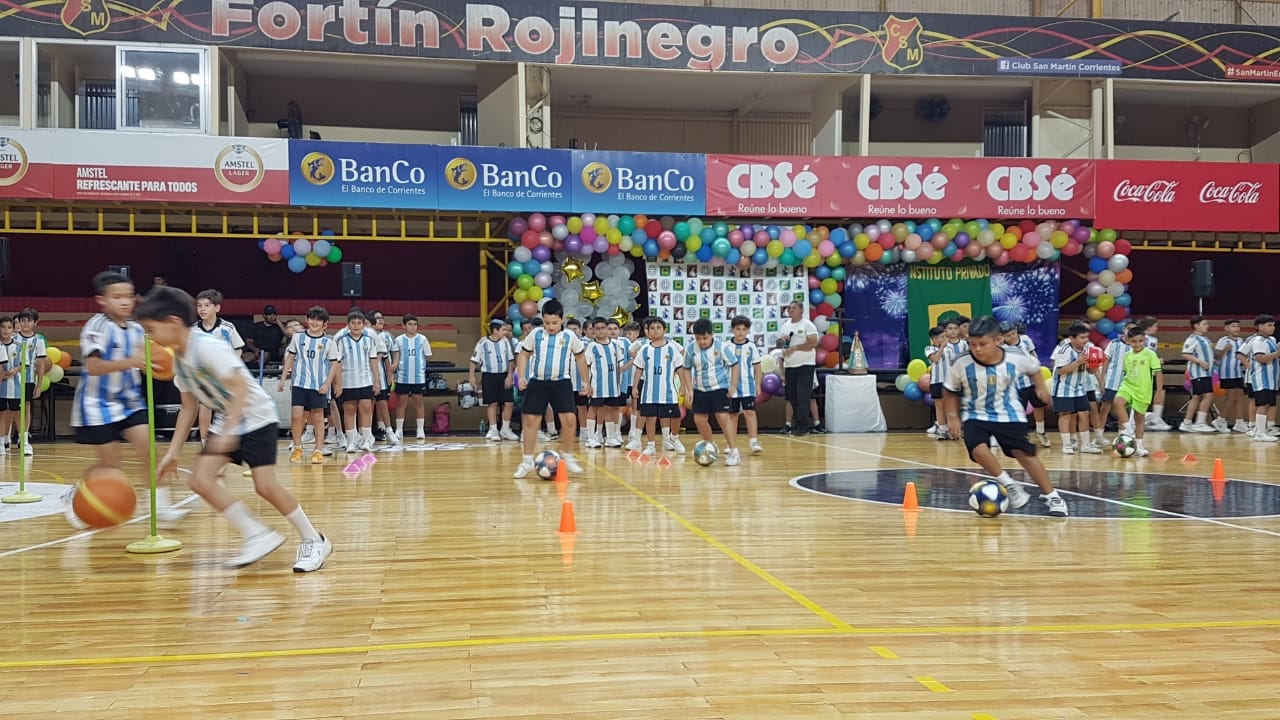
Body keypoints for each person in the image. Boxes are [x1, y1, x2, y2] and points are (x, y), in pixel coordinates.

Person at [140, 286, 331, 572]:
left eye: (151, 329)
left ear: (173, 322)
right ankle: (257, 534)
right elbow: (188, 408)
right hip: (227, 420)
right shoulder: (179, 360)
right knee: (200, 480)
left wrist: (230, 431)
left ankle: (314, 540)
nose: (150, 337)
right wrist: (173, 452)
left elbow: (240, 387)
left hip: (255, 417)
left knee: (265, 486)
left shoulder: (207, 347)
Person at [66, 270, 188, 529]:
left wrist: (162, 365)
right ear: (101, 300)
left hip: (130, 401)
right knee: (110, 465)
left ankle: (160, 506)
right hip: (97, 404)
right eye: (117, 297)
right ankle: (77, 494)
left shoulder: (136, 328)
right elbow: (94, 367)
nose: (125, 302)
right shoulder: (96, 327)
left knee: (150, 452)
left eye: (129, 296)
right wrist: (132, 362)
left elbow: (150, 359)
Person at [943, 316, 1069, 518]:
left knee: (1024, 455)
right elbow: (949, 389)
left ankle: (1052, 496)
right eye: (972, 344)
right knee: (977, 449)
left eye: (983, 344)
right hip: (976, 414)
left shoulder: (1015, 356)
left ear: (998, 340)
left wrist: (1040, 388)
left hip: (1009, 414)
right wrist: (952, 417)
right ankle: (1009, 484)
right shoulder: (961, 362)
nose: (977, 349)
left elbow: (1034, 369)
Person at [512, 299, 588, 479]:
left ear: (562, 319)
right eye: (547, 323)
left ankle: (567, 455)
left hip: (562, 382)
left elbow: (580, 358)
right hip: (538, 382)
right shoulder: (536, 334)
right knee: (531, 420)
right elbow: (524, 354)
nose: (550, 326)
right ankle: (527, 461)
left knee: (569, 419)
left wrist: (586, 381)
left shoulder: (570, 336)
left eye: (554, 323)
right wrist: (521, 376)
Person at [279, 306, 339, 464]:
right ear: (307, 320)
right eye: (312, 318)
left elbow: (334, 364)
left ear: (325, 323)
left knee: (318, 417)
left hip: (319, 385)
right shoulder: (298, 337)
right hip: (299, 383)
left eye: (319, 320)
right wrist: (283, 378)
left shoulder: (329, 341)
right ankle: (298, 447)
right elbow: (290, 358)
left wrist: (327, 384)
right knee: (296, 416)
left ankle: (318, 450)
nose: (314, 322)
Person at [630, 316, 691, 457]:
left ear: (664, 330)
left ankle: (674, 438)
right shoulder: (644, 349)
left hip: (668, 392)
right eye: (652, 328)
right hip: (649, 393)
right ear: (648, 331)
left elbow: (680, 368)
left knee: (674, 417)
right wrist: (634, 387)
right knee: (650, 418)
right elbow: (639, 369)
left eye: (658, 328)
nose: (655, 331)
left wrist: (684, 386)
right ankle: (650, 445)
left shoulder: (672, 348)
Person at [686, 318, 741, 466]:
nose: (702, 342)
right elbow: (686, 368)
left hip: (719, 388)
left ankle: (734, 451)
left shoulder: (721, 347)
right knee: (699, 420)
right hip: (700, 389)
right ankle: (710, 447)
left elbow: (735, 365)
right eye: (698, 338)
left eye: (705, 338)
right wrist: (689, 388)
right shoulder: (691, 349)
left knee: (723, 417)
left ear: (711, 334)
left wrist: (733, 385)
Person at [194, 290, 244, 446]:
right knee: (205, 406)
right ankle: (204, 441)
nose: (202, 309)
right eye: (199, 306)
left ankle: (226, 440)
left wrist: (230, 368)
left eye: (206, 305)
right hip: (205, 375)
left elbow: (238, 349)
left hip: (225, 375)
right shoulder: (193, 330)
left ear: (217, 307)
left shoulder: (227, 328)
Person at [334, 308, 381, 453]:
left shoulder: (369, 339)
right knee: (349, 410)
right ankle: (351, 442)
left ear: (363, 324)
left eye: (359, 323)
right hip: (348, 381)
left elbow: (374, 361)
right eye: (353, 323)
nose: (356, 326)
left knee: (366, 409)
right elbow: (337, 364)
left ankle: (366, 440)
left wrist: (377, 381)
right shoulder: (341, 340)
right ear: (348, 324)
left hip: (365, 381)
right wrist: (338, 384)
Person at [1111, 325, 1162, 457]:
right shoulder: (1127, 356)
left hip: (1143, 390)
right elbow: (1126, 373)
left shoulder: (1150, 354)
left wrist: (1159, 392)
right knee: (1118, 402)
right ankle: (1128, 430)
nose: (1137, 344)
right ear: (1129, 341)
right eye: (1134, 341)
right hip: (1128, 386)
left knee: (1139, 418)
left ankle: (1138, 446)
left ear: (1144, 340)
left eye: (1140, 341)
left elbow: (1158, 373)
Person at [1051, 322, 1099, 454]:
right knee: (1065, 415)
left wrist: (1094, 365)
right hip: (1063, 388)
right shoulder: (1064, 350)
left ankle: (1086, 445)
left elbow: (1090, 371)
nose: (1086, 340)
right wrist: (1078, 362)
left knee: (1084, 413)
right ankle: (1067, 445)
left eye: (1087, 337)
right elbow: (1061, 371)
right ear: (1072, 338)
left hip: (1079, 387)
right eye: (1082, 337)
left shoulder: (1088, 349)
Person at [1002, 322, 1050, 447]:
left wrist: (1036, 370)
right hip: (1016, 385)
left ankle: (1040, 431)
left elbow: (1033, 355)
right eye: (1008, 335)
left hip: (1032, 382)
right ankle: (1020, 435)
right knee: (1019, 411)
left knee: (1039, 405)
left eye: (1014, 333)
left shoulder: (1025, 340)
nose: (1012, 337)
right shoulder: (1002, 348)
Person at [470, 318, 516, 443]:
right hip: (489, 376)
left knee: (509, 402)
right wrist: (472, 376)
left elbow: (510, 360)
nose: (505, 332)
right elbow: (474, 360)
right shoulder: (483, 342)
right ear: (495, 330)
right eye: (503, 330)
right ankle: (494, 429)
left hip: (504, 375)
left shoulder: (505, 342)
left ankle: (505, 429)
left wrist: (510, 375)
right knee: (492, 403)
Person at [776, 301, 818, 435]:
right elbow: (779, 345)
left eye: (794, 308)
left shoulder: (807, 325)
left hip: (805, 365)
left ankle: (803, 427)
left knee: (802, 397)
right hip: (790, 366)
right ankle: (796, 424)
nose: (790, 310)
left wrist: (795, 347)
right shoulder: (786, 326)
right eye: (789, 308)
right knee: (793, 398)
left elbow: (813, 343)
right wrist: (781, 340)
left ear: (801, 310)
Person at [584, 317, 625, 448]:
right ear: (593, 331)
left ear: (607, 329)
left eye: (603, 328)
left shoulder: (615, 345)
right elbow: (586, 366)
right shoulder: (592, 346)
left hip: (613, 385)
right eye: (597, 328)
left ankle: (611, 437)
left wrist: (619, 383)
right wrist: (586, 384)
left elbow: (619, 365)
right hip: (597, 385)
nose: (601, 331)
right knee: (593, 408)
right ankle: (591, 438)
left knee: (610, 409)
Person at [393, 313, 433, 442]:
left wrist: (420, 366)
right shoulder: (398, 340)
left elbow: (428, 356)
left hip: (418, 377)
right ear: (403, 326)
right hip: (402, 377)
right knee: (401, 403)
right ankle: (399, 430)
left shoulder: (423, 339)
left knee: (418, 402)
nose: (413, 327)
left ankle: (420, 429)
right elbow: (396, 357)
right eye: (410, 324)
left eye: (415, 324)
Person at [728, 315, 764, 454]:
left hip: (747, 386)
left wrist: (758, 384)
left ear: (748, 330)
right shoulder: (727, 346)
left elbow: (757, 367)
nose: (740, 332)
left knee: (750, 412)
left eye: (744, 329)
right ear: (733, 330)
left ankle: (753, 440)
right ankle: (731, 443)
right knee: (733, 415)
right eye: (738, 329)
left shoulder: (751, 346)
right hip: (731, 387)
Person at [13, 307, 47, 456]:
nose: (26, 323)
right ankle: (7, 438)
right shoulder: (13, 339)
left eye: (29, 320)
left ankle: (25, 440)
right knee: (12, 409)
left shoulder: (38, 341)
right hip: (12, 379)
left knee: (26, 406)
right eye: (23, 320)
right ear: (19, 322)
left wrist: (39, 384)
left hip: (29, 379)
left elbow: (41, 363)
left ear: (35, 323)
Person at [1244, 314, 1279, 443]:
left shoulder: (1271, 340)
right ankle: (1259, 432)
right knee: (1262, 404)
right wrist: (1277, 353)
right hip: (1262, 378)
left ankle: (1262, 430)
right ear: (1260, 326)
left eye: (1273, 325)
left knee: (1267, 404)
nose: (1272, 328)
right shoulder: (1258, 341)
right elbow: (1260, 358)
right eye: (1269, 325)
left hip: (1271, 379)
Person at [1181, 315, 1217, 433]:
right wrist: (1200, 361)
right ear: (1196, 326)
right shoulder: (1192, 339)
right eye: (1204, 324)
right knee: (1208, 395)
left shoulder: (1206, 339)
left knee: (1196, 396)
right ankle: (1200, 422)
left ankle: (1187, 423)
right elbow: (1186, 354)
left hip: (1207, 372)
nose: (1207, 326)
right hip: (1199, 372)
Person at [368, 311, 398, 446]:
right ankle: (366, 433)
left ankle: (389, 430)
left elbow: (386, 358)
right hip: (364, 377)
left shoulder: (379, 338)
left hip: (379, 376)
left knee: (382, 403)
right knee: (367, 405)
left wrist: (389, 375)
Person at [1137, 316, 1172, 431]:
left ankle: (1155, 419)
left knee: (1159, 391)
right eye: (1155, 326)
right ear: (1149, 327)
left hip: (1149, 371)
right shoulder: (1146, 339)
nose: (1157, 328)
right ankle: (1146, 420)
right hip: (1143, 372)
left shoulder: (1150, 339)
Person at [1216, 319, 1248, 433]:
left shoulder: (1241, 340)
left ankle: (1239, 422)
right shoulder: (1223, 340)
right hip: (1226, 372)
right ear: (1227, 328)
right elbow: (1217, 356)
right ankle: (1220, 420)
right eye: (1233, 326)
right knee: (1231, 396)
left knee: (1239, 395)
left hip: (1238, 372)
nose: (1236, 328)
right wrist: (1225, 349)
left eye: (1238, 326)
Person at [924, 326, 948, 439]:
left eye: (945, 337)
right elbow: (936, 359)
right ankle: (942, 429)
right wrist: (942, 348)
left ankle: (953, 428)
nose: (945, 339)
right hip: (937, 380)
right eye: (942, 337)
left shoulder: (950, 348)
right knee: (939, 405)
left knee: (952, 405)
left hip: (950, 381)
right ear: (934, 339)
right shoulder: (929, 348)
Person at [0, 316, 18, 454]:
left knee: (10, 413)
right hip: (2, 384)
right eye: (2, 327)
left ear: (13, 329)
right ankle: (2, 442)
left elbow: (24, 364)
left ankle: (6, 439)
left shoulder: (18, 346)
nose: (5, 330)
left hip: (13, 385)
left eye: (9, 327)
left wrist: (14, 370)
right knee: (2, 413)